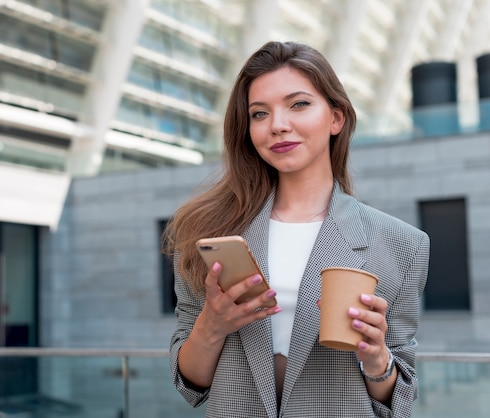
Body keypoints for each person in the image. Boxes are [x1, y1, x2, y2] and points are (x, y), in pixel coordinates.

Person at [163, 41, 429, 417]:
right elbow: (189, 385)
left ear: (336, 118)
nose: (278, 125)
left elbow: (397, 401)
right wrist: (212, 324)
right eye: (259, 113)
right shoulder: (205, 232)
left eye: (298, 104)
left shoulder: (402, 244)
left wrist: (377, 360)